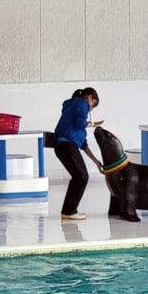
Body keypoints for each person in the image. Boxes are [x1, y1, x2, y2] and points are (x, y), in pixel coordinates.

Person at [52, 87, 103, 220]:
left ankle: (68, 211)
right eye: (93, 104)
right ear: (89, 97)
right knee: (81, 177)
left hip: (61, 147)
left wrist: (96, 162)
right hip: (68, 145)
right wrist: (92, 124)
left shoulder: (71, 108)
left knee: (79, 177)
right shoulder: (81, 103)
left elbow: (84, 145)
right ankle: (69, 211)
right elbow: (81, 123)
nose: (90, 109)